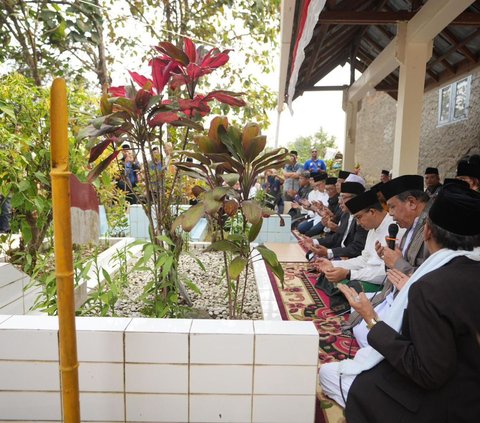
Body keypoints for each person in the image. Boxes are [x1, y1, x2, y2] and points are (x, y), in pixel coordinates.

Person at [324, 184, 480, 422]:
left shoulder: (431, 287)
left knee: (333, 375)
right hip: (466, 384)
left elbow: (427, 373)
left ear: (427, 232)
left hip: (448, 404)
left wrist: (371, 319)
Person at [346, 175, 431, 348]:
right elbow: (396, 266)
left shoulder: (430, 229)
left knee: (367, 334)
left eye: (392, 206)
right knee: (357, 308)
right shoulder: (410, 226)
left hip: (412, 301)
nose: (390, 214)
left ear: (412, 203)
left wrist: (398, 261)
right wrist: (388, 257)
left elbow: (430, 279)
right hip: (393, 291)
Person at [314, 189, 405, 295]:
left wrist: (349, 274)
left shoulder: (395, 228)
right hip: (365, 274)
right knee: (329, 274)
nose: (357, 223)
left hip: (382, 282)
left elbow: (386, 272)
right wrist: (333, 264)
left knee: (351, 287)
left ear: (372, 212)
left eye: (358, 217)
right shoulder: (372, 228)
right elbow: (364, 259)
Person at [300, 181, 367, 260]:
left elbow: (356, 248)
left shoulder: (363, 219)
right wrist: (314, 242)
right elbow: (336, 237)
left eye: (344, 198)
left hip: (350, 257)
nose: (339, 201)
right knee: (310, 255)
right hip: (340, 251)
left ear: (355, 199)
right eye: (340, 198)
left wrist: (329, 252)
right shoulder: (346, 214)